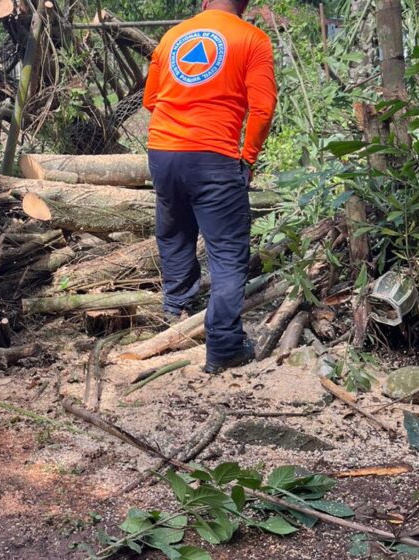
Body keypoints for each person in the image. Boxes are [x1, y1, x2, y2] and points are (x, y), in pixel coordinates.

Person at [143, 0, 277, 373]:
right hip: (214, 155)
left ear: (203, 2)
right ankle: (224, 346)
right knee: (228, 252)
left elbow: (150, 100)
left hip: (162, 152)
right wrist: (247, 158)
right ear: (245, 4)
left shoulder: (171, 37)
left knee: (174, 232)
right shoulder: (252, 39)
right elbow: (263, 109)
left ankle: (176, 312)